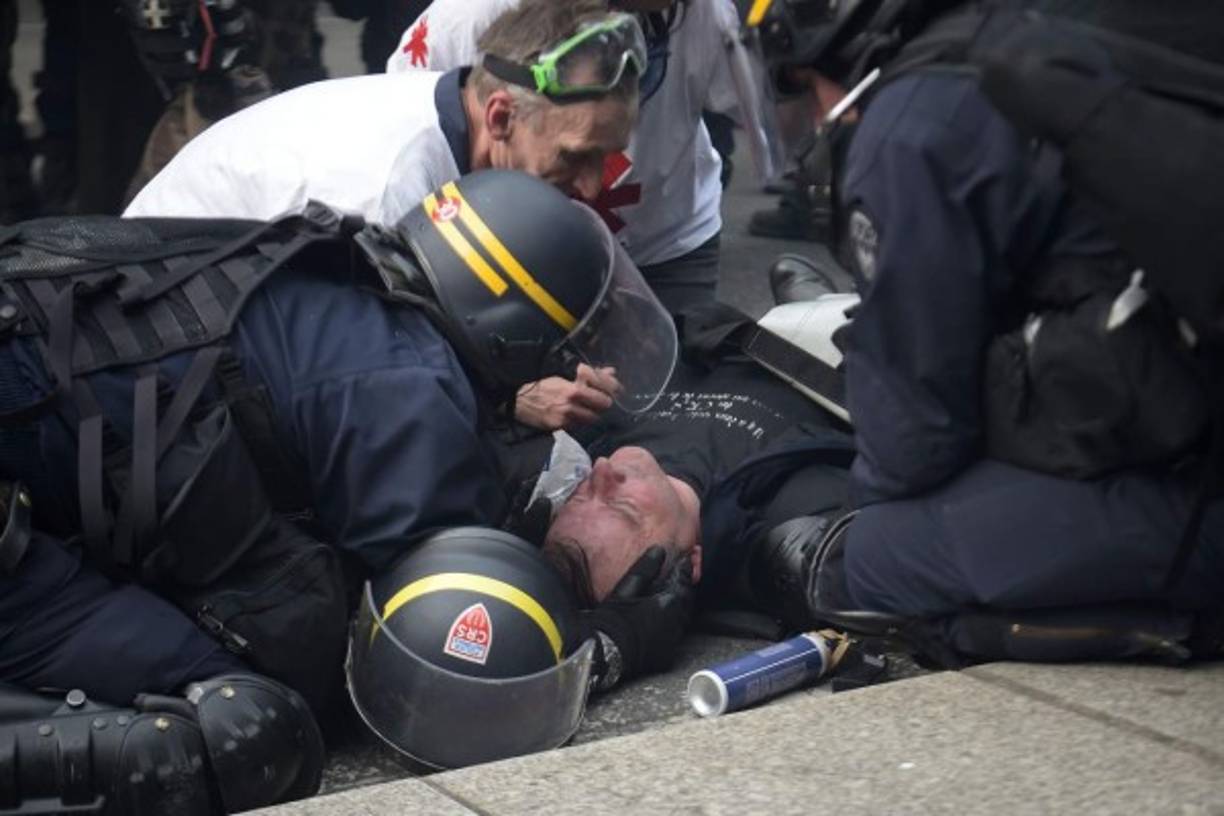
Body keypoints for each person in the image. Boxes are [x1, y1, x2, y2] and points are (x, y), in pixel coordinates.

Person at [0, 170, 679, 811]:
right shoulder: (413, 394)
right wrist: (610, 639)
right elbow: (425, 658)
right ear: (515, 332)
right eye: (562, 348)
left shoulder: (339, 277)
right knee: (252, 727)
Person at [738, 0, 1224, 665]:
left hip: (1196, 485)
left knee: (874, 557)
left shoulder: (909, 126)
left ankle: (1177, 621)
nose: (816, 111)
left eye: (805, 84)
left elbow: (915, 446)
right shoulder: (1046, 35)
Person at [124, 0, 640, 224]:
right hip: (158, 320)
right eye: (576, 156)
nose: (594, 186)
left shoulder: (454, 106)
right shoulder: (390, 191)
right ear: (501, 117)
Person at [387, 0, 744, 315]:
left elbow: (755, 106)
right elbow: (415, 119)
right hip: (502, 253)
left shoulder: (704, 10)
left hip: (665, 242)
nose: (591, 186)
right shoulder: (474, 13)